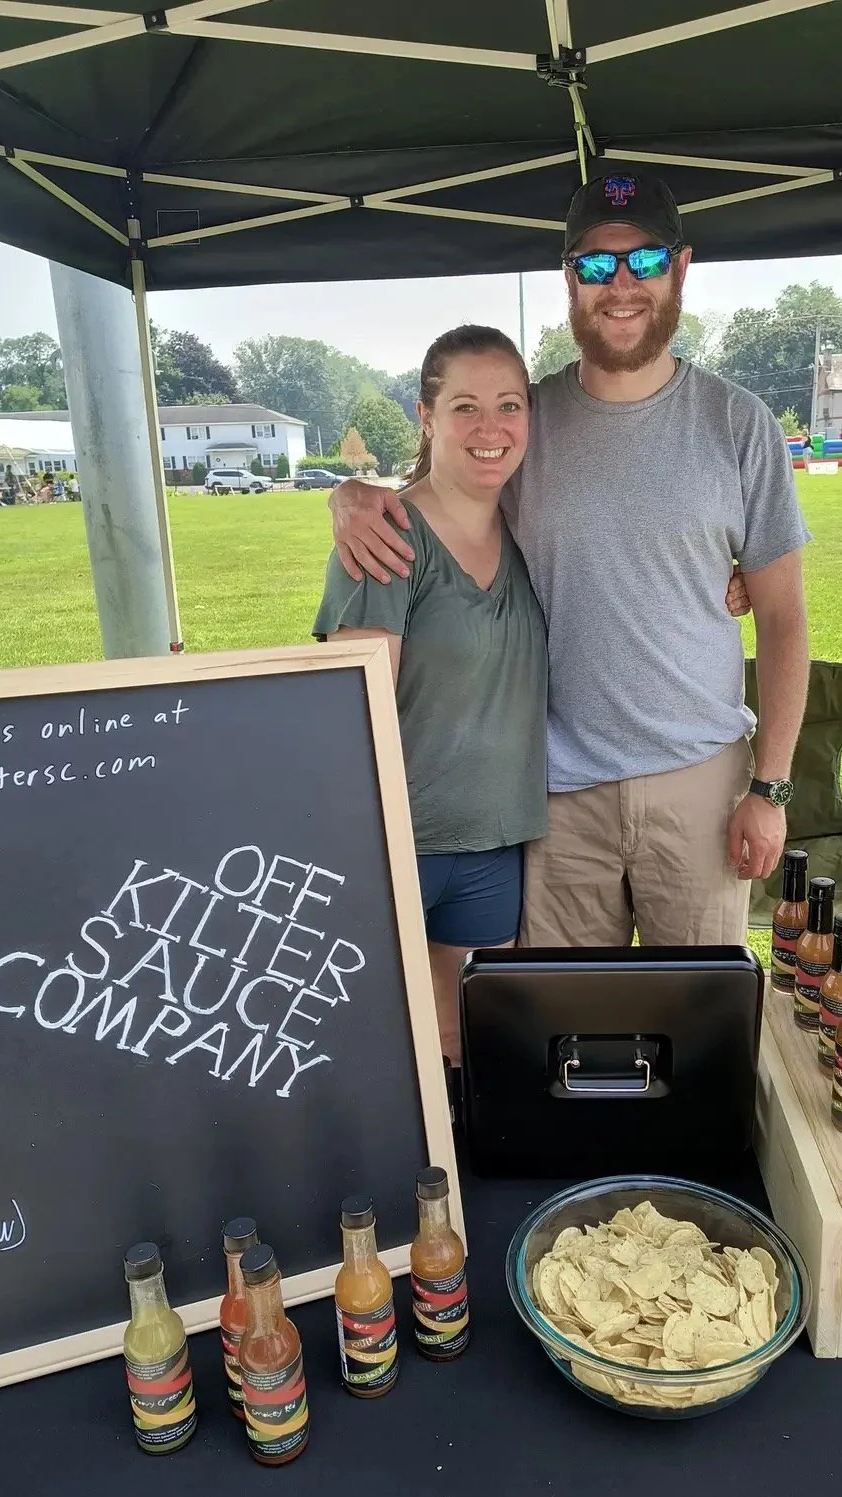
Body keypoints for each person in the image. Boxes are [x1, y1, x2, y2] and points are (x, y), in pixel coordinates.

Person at [330, 170, 810, 954]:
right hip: (556, 798)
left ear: (680, 268)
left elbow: (785, 621)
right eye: (594, 264)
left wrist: (772, 787)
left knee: (696, 1014)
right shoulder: (526, 421)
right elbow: (446, 493)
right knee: (562, 1018)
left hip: (700, 787)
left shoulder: (738, 424)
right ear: (568, 279)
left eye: (644, 260)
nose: (620, 285)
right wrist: (354, 496)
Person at [312, 326, 548, 1064]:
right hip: (397, 846)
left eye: (509, 406)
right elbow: (351, 721)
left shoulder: (529, 530)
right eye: (465, 407)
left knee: (467, 1048)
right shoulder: (384, 537)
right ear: (426, 416)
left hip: (494, 843)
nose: (490, 428)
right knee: (372, 1048)